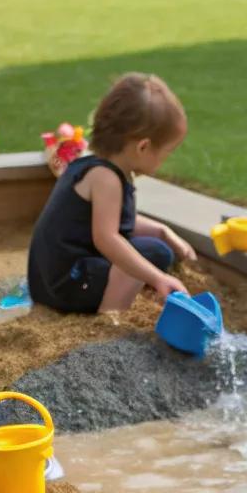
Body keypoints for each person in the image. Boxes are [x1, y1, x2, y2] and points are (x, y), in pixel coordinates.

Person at [28, 73, 194, 314]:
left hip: (49, 281)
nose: (165, 160)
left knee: (158, 250)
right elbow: (107, 239)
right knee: (143, 255)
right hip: (66, 285)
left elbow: (109, 219)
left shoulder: (94, 166)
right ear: (143, 147)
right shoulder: (106, 179)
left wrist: (162, 231)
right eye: (167, 152)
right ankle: (109, 317)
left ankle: (114, 294)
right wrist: (158, 279)